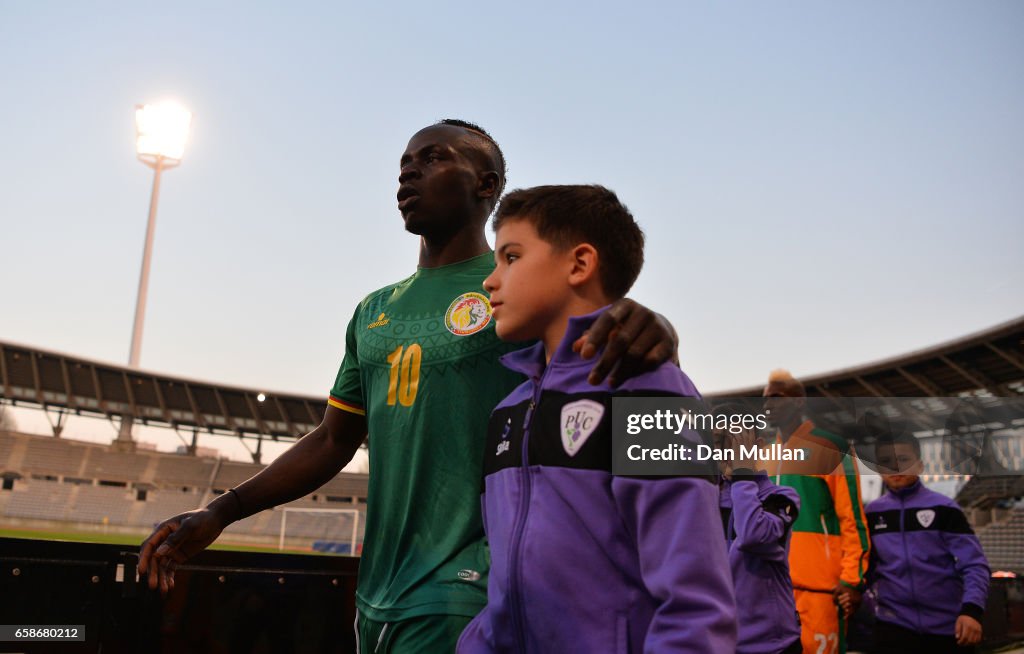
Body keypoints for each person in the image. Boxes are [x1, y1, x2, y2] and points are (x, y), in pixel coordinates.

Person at [138, 120, 679, 653]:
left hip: (469, 591)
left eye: (434, 158)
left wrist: (656, 328)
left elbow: (612, 349)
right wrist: (222, 510)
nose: (408, 173)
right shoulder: (374, 310)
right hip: (377, 592)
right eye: (404, 163)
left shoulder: (516, 292)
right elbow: (332, 439)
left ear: (486, 184)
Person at [458, 185, 736, 653]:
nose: (490, 280)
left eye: (511, 257)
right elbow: (506, 588)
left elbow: (695, 603)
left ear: (580, 264)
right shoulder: (507, 412)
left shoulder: (651, 392)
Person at [762, 369, 870, 654]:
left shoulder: (831, 446)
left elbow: (852, 518)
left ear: (798, 401)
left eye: (776, 397)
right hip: (773, 589)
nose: (768, 404)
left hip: (821, 591)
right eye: (765, 398)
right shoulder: (764, 457)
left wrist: (852, 580)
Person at [865, 432, 989, 653]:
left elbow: (974, 564)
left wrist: (972, 611)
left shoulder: (944, 509)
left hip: (948, 628)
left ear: (920, 465)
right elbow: (866, 567)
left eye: (903, 459)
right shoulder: (871, 514)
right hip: (893, 627)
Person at [713, 403, 802, 654]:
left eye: (734, 442)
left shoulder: (782, 498)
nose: (725, 452)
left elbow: (754, 534)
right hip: (719, 643)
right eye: (717, 443)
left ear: (758, 447)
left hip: (772, 645)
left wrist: (743, 474)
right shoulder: (705, 499)